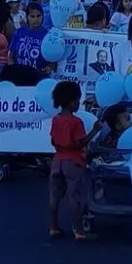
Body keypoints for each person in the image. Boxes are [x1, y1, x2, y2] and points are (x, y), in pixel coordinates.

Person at [47, 80, 92, 240]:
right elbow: (80, 142)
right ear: (72, 102)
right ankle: (79, 231)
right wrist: (94, 131)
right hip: (73, 162)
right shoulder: (76, 122)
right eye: (78, 100)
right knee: (75, 196)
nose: (79, 103)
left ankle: (54, 227)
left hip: (58, 160)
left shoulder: (56, 119)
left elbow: (53, 141)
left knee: (54, 195)